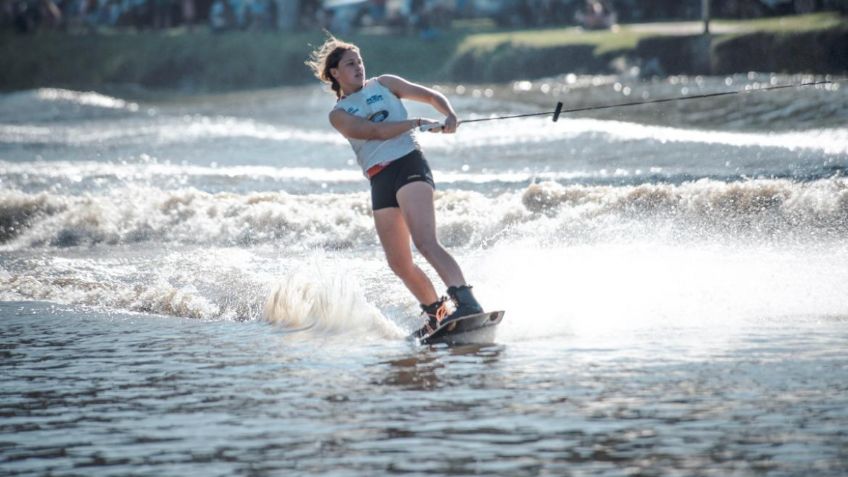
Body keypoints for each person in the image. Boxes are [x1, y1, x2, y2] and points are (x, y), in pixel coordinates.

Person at [306, 35, 484, 338]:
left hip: (408, 164)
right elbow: (374, 131)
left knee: (426, 242)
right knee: (399, 262)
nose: (359, 67)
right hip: (380, 179)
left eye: (360, 61)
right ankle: (438, 314)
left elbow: (429, 95)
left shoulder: (384, 83)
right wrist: (415, 122)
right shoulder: (338, 114)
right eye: (351, 64)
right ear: (335, 73)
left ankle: (467, 302)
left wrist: (449, 114)